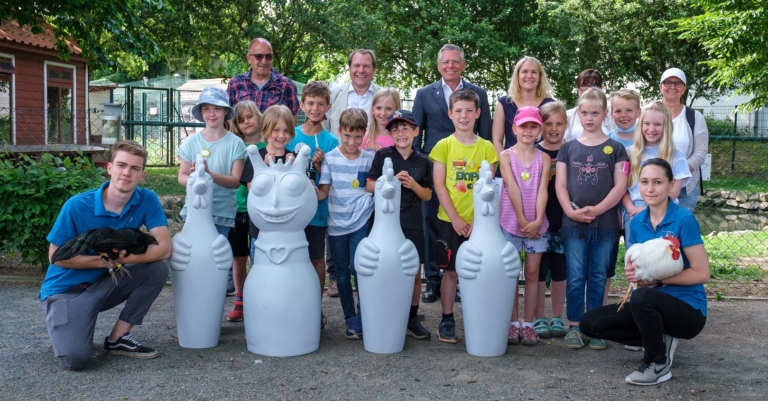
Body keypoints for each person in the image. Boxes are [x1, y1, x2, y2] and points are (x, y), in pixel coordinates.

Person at [40, 140, 172, 370]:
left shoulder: (146, 199)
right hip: (66, 291)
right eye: (121, 165)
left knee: (156, 269)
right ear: (109, 168)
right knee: (76, 359)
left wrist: (123, 260)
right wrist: (104, 262)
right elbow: (55, 256)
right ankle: (69, 321)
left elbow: (164, 248)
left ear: (142, 175)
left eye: (135, 168)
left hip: (104, 285)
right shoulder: (77, 206)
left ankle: (118, 338)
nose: (126, 173)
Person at [580, 158, 709, 386]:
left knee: (643, 296)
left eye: (658, 182)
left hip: (688, 311)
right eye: (645, 182)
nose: (650, 189)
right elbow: (639, 271)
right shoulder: (638, 221)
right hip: (649, 302)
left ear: (670, 185)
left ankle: (657, 364)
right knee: (590, 323)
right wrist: (634, 275)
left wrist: (655, 281)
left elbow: (701, 273)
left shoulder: (684, 220)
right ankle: (659, 340)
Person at [413, 44, 492, 304]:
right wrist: (420, 170)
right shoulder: (425, 94)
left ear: (463, 65)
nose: (450, 66)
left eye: (455, 62)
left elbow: (487, 134)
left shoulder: (478, 93)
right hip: (435, 168)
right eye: (445, 62)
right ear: (438, 66)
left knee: (463, 225)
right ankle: (434, 279)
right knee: (433, 225)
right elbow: (417, 134)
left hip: (468, 170)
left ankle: (460, 279)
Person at [555, 88, 628, 350]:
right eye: (584, 113)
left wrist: (598, 210)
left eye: (595, 113)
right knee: (575, 276)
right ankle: (575, 325)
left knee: (597, 276)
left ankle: (596, 326)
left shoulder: (616, 149)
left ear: (605, 115)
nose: (589, 118)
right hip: (574, 224)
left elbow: (620, 186)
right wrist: (571, 212)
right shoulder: (568, 149)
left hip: (605, 225)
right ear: (579, 115)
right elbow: (561, 185)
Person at [429, 89, 498, 343]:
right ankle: (447, 320)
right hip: (450, 221)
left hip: (481, 224)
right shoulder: (443, 146)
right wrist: (456, 219)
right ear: (450, 114)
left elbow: (489, 188)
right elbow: (439, 185)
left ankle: (480, 318)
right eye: (458, 110)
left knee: (480, 272)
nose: (464, 115)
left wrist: (477, 221)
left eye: (469, 110)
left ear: (478, 113)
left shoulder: (488, 148)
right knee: (451, 272)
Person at [366, 109, 433, 340]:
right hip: (384, 224)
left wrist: (413, 184)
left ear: (415, 131)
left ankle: (411, 318)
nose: (400, 132)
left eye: (405, 128)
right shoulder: (383, 155)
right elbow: (369, 186)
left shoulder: (423, 161)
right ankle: (384, 312)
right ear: (390, 133)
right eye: (395, 129)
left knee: (413, 272)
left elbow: (427, 195)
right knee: (385, 268)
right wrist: (391, 182)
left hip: (412, 223)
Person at [316, 108, 375, 339]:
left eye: (357, 137)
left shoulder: (370, 159)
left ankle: (364, 315)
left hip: (361, 222)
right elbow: (324, 191)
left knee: (358, 268)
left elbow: (373, 188)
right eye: (347, 136)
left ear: (364, 134)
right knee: (341, 274)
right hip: (336, 225)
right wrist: (309, 191)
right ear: (339, 131)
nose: (352, 142)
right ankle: (350, 319)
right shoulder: (330, 159)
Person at [498, 106, 550, 346]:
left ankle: (527, 324)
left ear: (540, 129)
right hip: (510, 222)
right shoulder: (506, 156)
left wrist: (537, 220)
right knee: (510, 275)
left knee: (532, 273)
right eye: (524, 126)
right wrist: (521, 219)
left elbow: (542, 190)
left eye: (533, 126)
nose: (528, 130)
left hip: (537, 226)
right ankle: (511, 323)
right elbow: (511, 186)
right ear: (514, 128)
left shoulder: (545, 158)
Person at [283, 81, 338, 301]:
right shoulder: (290, 135)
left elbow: (330, 179)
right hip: (291, 210)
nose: (315, 108)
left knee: (316, 256)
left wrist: (318, 165)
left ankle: (315, 305)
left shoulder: (331, 141)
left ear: (328, 107)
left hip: (316, 211)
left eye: (320, 104)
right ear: (302, 105)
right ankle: (293, 301)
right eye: (311, 103)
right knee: (293, 256)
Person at [177, 87, 246, 241]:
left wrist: (208, 175)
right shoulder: (190, 142)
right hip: (195, 209)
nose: (212, 113)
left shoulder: (236, 143)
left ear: (226, 111)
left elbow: (235, 181)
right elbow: (182, 176)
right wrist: (196, 179)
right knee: (194, 255)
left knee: (218, 256)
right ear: (201, 112)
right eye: (206, 109)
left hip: (222, 210)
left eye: (217, 108)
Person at [622, 101, 691, 249]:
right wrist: (631, 209)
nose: (651, 129)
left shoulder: (676, 155)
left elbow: (674, 191)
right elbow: (621, 187)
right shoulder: (629, 153)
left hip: (666, 213)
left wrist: (648, 209)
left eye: (658, 124)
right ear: (640, 125)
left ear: (666, 126)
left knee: (664, 258)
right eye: (647, 123)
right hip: (634, 212)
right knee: (636, 258)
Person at [226, 101, 265, 322]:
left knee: (258, 255)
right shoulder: (236, 147)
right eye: (241, 120)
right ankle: (240, 300)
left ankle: (260, 297)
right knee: (239, 257)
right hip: (238, 208)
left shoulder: (270, 145)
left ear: (259, 117)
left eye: (249, 116)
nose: (246, 122)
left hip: (260, 211)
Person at [533, 101, 569, 339]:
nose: (554, 129)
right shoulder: (533, 151)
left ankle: (556, 316)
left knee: (559, 270)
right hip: (538, 221)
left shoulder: (573, 150)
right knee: (536, 271)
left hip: (564, 220)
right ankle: (537, 317)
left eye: (559, 123)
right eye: (548, 124)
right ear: (540, 126)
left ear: (566, 125)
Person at [604, 89, 642, 305]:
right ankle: (599, 306)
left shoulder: (645, 138)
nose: (623, 115)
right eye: (618, 110)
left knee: (637, 259)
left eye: (629, 110)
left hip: (636, 210)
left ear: (638, 112)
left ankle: (639, 303)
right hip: (610, 209)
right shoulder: (606, 141)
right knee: (605, 262)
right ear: (610, 113)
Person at [658, 68, 709, 212]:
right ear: (660, 86)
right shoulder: (649, 113)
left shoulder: (694, 117)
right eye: (667, 82)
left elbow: (700, 152)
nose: (672, 87)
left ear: (684, 88)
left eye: (678, 83)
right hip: (653, 184)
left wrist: (678, 175)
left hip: (685, 188)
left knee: (678, 231)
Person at [227, 38, 300, 123]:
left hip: (275, 136)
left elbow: (293, 121)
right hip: (242, 136)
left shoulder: (286, 85)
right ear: (249, 58)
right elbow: (229, 119)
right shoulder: (235, 83)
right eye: (259, 56)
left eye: (268, 56)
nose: (264, 61)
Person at [492, 56, 555, 154]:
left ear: (540, 77)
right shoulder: (504, 103)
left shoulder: (550, 104)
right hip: (509, 164)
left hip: (542, 164)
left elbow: (554, 136)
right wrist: (504, 163)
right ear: (517, 75)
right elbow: (497, 140)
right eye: (524, 71)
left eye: (534, 72)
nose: (529, 75)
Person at [324, 49, 382, 136]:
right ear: (350, 68)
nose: (361, 70)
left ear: (374, 70)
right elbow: (323, 130)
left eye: (366, 66)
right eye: (356, 65)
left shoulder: (385, 96)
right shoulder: (332, 96)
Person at [565, 69, 614, 141]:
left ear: (600, 87)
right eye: (583, 85)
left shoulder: (611, 114)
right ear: (578, 88)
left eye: (593, 85)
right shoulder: (568, 115)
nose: (588, 88)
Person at [361, 88, 401, 153]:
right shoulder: (366, 137)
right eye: (378, 108)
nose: (383, 113)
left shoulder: (399, 138)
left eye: (388, 109)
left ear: (397, 110)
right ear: (373, 110)